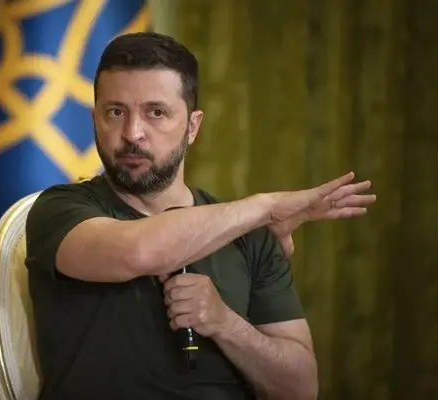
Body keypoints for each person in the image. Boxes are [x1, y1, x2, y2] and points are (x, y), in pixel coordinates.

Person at [25, 32, 376, 400]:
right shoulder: (59, 210)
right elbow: (139, 253)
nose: (132, 133)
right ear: (95, 118)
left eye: (156, 112)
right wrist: (265, 207)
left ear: (192, 127)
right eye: (115, 112)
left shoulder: (249, 233)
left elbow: (300, 389)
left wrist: (225, 324)